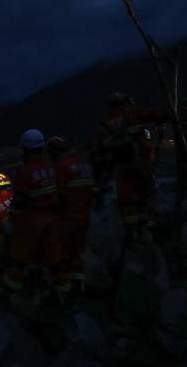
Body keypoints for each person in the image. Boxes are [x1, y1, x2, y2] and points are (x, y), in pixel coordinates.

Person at [91, 93, 167, 234]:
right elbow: (154, 114)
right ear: (124, 103)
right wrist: (166, 115)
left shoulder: (105, 122)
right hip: (142, 161)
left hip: (123, 165)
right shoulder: (132, 113)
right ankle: (149, 224)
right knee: (147, 192)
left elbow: (100, 145)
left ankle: (131, 229)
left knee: (127, 196)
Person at [0, 129, 61, 299]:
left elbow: (19, 201)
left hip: (31, 222)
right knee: (45, 259)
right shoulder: (52, 167)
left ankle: (10, 292)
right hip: (52, 220)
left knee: (18, 259)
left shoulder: (24, 172)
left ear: (25, 150)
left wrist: (10, 220)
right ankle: (47, 293)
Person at [47, 136, 95, 301]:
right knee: (76, 255)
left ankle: (62, 293)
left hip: (67, 220)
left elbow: (58, 196)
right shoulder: (84, 166)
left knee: (60, 256)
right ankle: (78, 287)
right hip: (84, 219)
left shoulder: (61, 167)